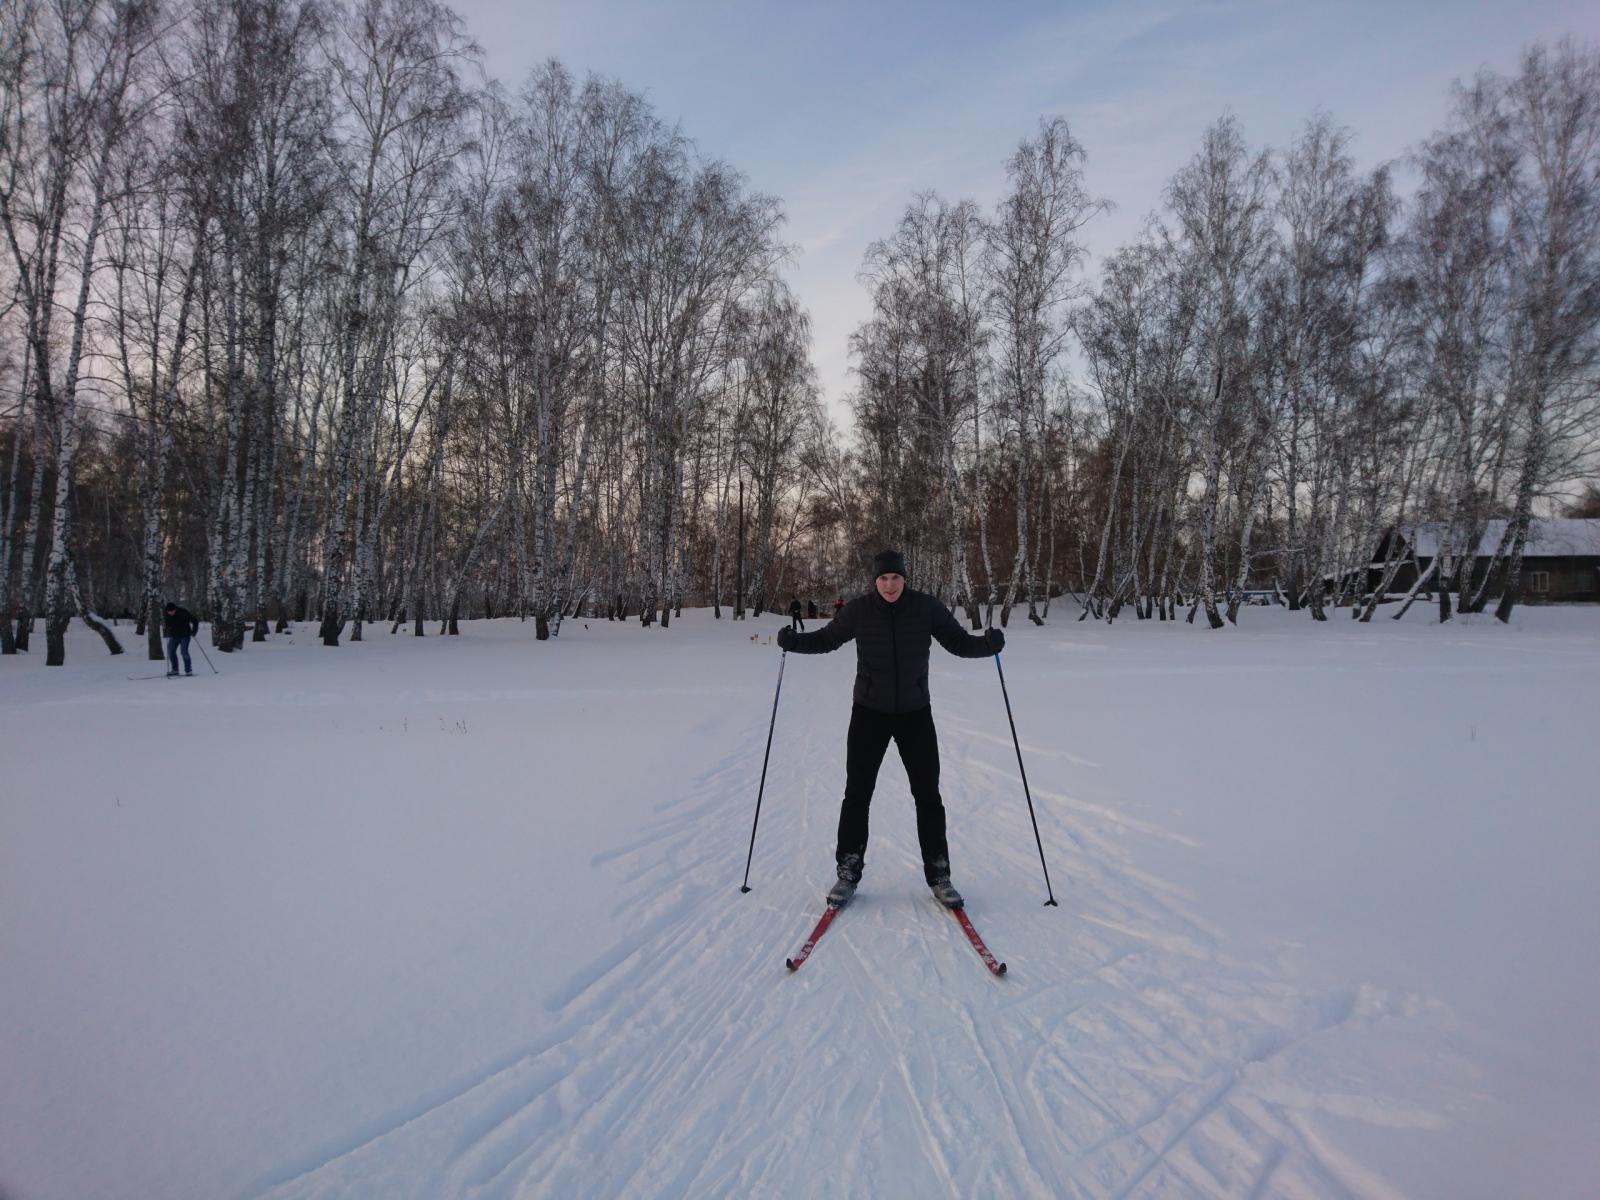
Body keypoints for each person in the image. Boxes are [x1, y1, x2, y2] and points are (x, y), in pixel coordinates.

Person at [777, 549, 1003, 910]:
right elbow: (826, 640)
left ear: (904, 578)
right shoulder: (859, 610)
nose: (890, 584)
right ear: (874, 581)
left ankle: (939, 874)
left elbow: (959, 642)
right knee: (857, 794)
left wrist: (986, 645)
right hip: (869, 713)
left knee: (928, 795)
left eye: (895, 578)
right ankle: (848, 872)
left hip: (915, 713)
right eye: (883, 578)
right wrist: (794, 642)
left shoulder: (925, 608)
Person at [162, 600, 199, 677]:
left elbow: (195, 620)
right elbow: (167, 623)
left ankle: (188, 670)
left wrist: (194, 631)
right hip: (174, 635)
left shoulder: (183, 612)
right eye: (169, 612)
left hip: (185, 635)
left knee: (184, 652)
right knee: (171, 651)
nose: (170, 613)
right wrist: (166, 630)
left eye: (172, 611)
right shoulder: (166, 613)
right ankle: (175, 670)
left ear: (175, 609)